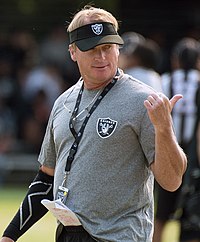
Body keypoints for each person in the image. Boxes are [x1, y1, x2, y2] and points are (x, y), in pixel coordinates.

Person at [0, 5, 187, 242]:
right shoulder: (63, 102)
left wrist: (164, 130)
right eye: (91, 49)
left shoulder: (144, 100)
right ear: (73, 52)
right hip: (68, 235)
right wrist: (10, 236)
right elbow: (46, 178)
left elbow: (172, 182)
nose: (101, 57)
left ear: (118, 48)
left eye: (107, 47)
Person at [153, 37, 200, 242]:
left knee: (161, 215)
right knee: (192, 216)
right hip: (194, 155)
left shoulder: (164, 80)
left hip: (168, 151)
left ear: (175, 60)